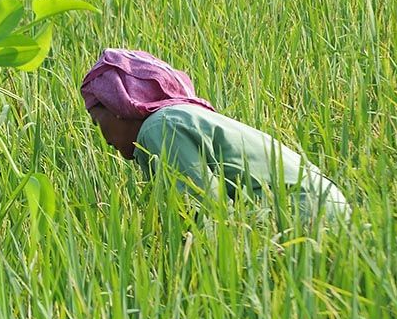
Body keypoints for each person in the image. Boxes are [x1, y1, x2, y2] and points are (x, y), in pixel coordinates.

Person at [81, 48, 349, 222]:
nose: (102, 137)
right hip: (322, 209)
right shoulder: (175, 120)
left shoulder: (159, 127)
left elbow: (207, 217)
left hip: (309, 218)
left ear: (118, 106)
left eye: (97, 121)